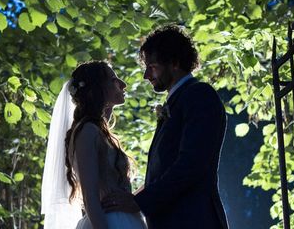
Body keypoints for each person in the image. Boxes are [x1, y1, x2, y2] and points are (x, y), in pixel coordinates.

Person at [103, 25, 229, 229]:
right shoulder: (179, 100)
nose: (146, 75)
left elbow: (191, 165)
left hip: (192, 221)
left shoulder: (199, 95)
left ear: (174, 62)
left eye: (152, 66)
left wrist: (138, 202)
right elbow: (163, 170)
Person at [41, 61, 147, 229]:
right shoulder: (88, 132)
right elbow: (91, 200)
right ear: (98, 89)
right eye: (114, 79)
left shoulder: (99, 132)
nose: (123, 84)